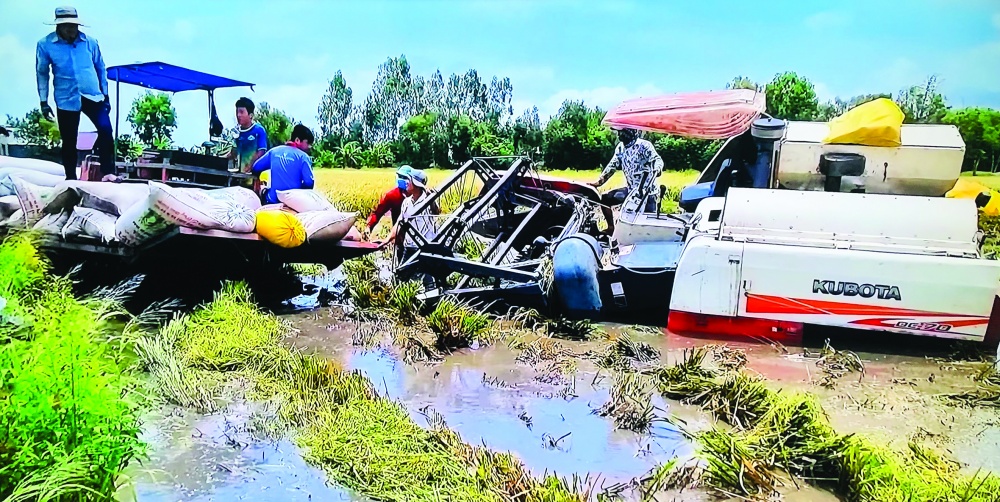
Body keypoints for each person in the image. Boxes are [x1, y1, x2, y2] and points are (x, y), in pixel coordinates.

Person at [36, 6, 117, 182]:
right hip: (66, 96)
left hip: (93, 94)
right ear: (59, 26)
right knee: (69, 139)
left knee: (105, 129)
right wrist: (44, 101)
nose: (71, 29)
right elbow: (42, 73)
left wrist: (106, 94)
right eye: (67, 26)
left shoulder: (90, 42)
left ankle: (108, 172)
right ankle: (70, 177)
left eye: (74, 25)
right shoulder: (46, 45)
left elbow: (100, 68)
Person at [588, 127, 664, 236]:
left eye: (623, 132)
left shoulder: (644, 145)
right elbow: (612, 166)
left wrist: (657, 169)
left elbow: (657, 159)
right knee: (605, 198)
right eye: (619, 132)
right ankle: (611, 228)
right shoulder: (620, 148)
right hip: (631, 190)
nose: (620, 135)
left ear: (632, 132)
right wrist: (599, 182)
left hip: (648, 193)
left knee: (647, 224)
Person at [251, 124, 315, 204]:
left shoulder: (274, 152)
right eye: (308, 143)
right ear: (297, 140)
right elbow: (309, 183)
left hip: (271, 202)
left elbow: (255, 168)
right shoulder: (303, 157)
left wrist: (258, 180)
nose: (310, 147)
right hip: (293, 204)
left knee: (264, 190)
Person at [364, 165, 414, 239]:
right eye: (400, 176)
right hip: (399, 236)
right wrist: (369, 226)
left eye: (405, 177)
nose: (401, 179)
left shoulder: (419, 194)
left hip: (419, 235)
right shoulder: (392, 195)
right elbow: (378, 213)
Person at [230, 97, 268, 173]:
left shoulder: (258, 130)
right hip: (239, 173)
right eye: (237, 112)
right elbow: (233, 153)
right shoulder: (237, 132)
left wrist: (250, 166)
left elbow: (261, 152)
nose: (238, 115)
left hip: (254, 174)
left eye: (241, 112)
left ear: (250, 115)